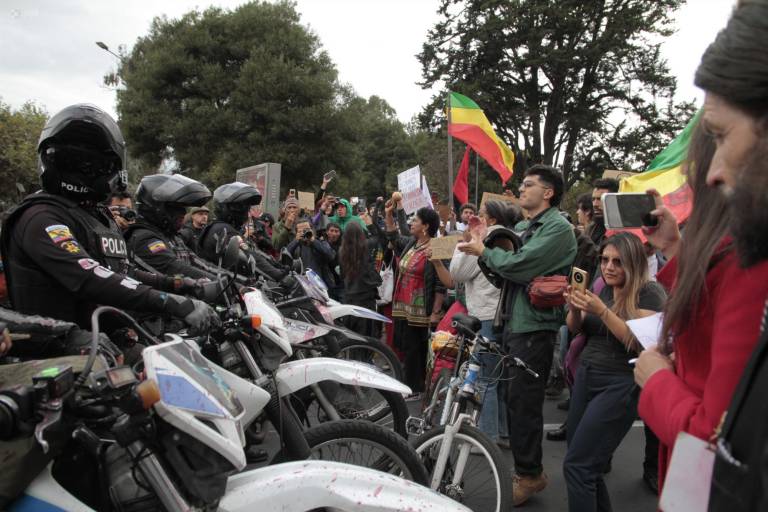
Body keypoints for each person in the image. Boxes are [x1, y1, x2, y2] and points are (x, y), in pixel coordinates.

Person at [638, 4, 768, 508]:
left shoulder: (749, 265)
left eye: (719, 136)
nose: (711, 174)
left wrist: (657, 382)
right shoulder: (728, 253)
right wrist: (675, 247)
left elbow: (720, 442)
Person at [0, 104, 217, 335]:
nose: (81, 170)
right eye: (70, 161)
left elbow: (123, 272)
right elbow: (88, 276)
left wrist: (179, 285)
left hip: (112, 341)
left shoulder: (98, 216)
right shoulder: (41, 216)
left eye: (92, 165)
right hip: (61, 353)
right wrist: (174, 302)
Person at [458, 164, 576, 505]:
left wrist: (486, 252)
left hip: (533, 325)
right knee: (514, 398)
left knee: (524, 403)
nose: (521, 190)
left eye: (528, 185)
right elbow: (501, 273)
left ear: (548, 192)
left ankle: (529, 475)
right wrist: (484, 250)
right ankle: (529, 471)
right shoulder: (524, 226)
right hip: (512, 320)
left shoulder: (558, 229)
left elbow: (519, 265)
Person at [562, 232, 666, 512]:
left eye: (617, 262)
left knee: (578, 467)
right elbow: (576, 327)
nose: (608, 267)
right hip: (587, 375)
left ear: (633, 264)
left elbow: (640, 342)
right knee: (586, 464)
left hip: (621, 383)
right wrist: (574, 307)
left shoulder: (650, 292)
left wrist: (603, 311)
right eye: (605, 260)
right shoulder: (603, 288)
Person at [434, 200, 520, 444]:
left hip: (484, 315)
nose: (473, 219)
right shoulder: (509, 237)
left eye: (480, 215)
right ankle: (503, 431)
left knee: (485, 379)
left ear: (491, 220)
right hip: (501, 315)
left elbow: (457, 274)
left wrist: (463, 244)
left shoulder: (486, 239)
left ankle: (487, 436)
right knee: (499, 379)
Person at [385, 204, 445, 399]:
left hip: (420, 309)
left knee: (415, 350)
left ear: (425, 226)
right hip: (403, 306)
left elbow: (440, 284)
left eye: (416, 220)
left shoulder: (435, 248)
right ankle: (409, 383)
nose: (411, 223)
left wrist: (435, 312)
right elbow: (393, 236)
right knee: (404, 345)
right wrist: (388, 214)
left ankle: (415, 388)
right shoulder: (413, 243)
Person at [124, 174, 216, 283]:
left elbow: (201, 264)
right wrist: (222, 285)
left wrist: (237, 283)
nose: (183, 212)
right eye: (176, 207)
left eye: (183, 207)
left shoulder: (172, 237)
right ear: (157, 208)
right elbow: (176, 269)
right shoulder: (144, 239)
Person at [197, 182, 287, 282]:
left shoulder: (223, 228)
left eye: (247, 207)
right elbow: (250, 256)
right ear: (225, 208)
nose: (246, 211)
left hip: (232, 284)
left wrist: (280, 267)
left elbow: (255, 253)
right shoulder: (222, 230)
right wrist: (280, 276)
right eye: (240, 206)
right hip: (226, 289)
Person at [338, 221, 381, 337]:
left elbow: (342, 274)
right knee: (366, 332)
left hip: (349, 296)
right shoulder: (367, 246)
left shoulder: (341, 251)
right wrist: (370, 223)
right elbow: (378, 236)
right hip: (366, 297)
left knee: (352, 333)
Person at [286, 217, 336, 288]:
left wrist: (313, 240)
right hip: (300, 285)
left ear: (312, 230)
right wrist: (296, 241)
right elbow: (284, 257)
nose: (304, 232)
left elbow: (330, 255)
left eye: (306, 229)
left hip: (320, 285)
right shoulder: (295, 245)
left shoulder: (321, 243)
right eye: (301, 231)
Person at [585, 178, 619, 247]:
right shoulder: (591, 228)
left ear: (614, 200)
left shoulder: (622, 230)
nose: (595, 204)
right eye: (593, 199)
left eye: (600, 199)